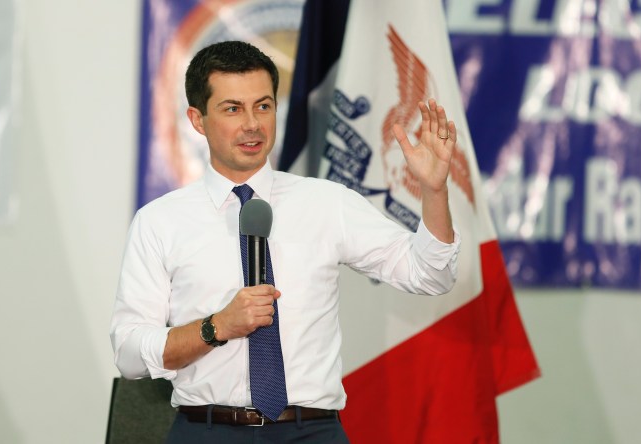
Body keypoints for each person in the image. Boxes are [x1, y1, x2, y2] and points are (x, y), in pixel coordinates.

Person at [110, 40, 461, 443]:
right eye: (232, 109)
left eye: (263, 106)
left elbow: (431, 275)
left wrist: (434, 192)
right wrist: (215, 327)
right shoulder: (160, 222)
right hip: (207, 431)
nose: (252, 125)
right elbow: (129, 353)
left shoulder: (328, 203)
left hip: (311, 430)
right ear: (197, 119)